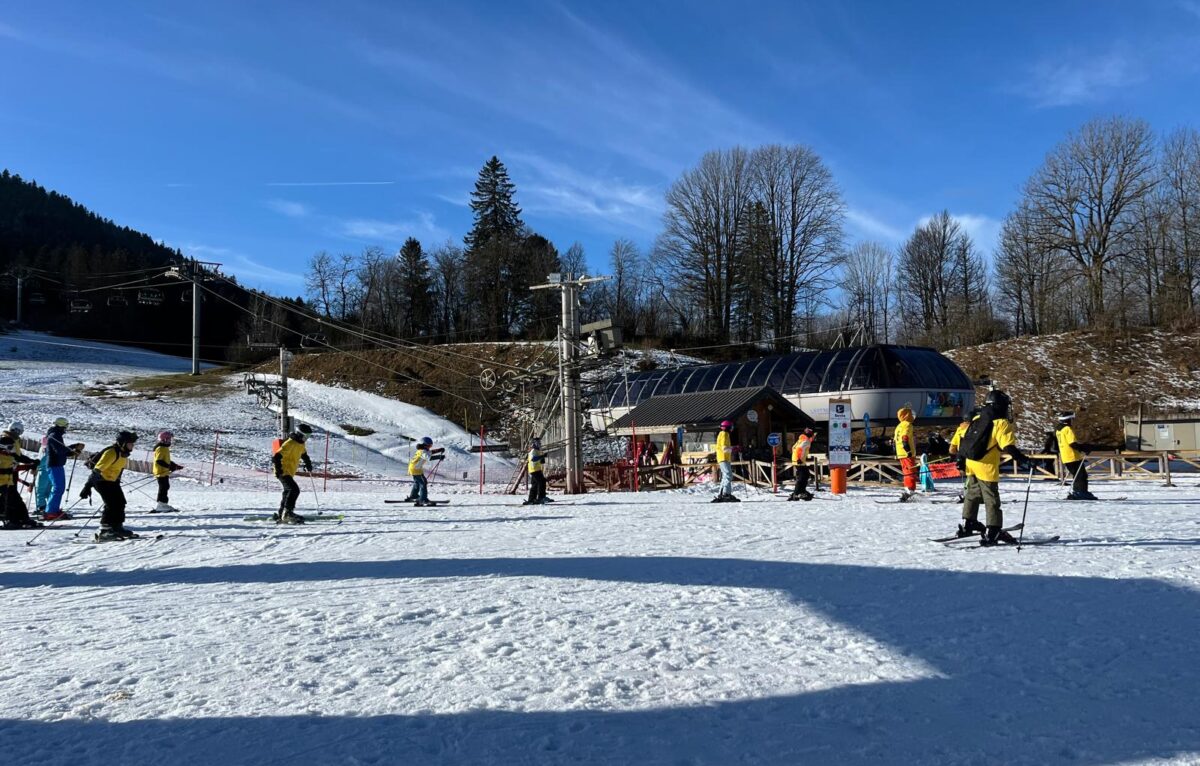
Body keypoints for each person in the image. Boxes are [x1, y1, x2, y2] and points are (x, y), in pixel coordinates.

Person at [956, 390, 1031, 546]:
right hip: (986, 467)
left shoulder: (977, 418)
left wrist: (960, 459)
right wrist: (1024, 460)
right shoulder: (1002, 423)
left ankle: (968, 524)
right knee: (991, 500)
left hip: (971, 464)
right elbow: (1008, 447)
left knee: (972, 494)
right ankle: (993, 530)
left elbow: (965, 441)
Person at [82, 430, 138, 540]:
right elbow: (97, 470)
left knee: (121, 502)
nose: (132, 446)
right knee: (111, 504)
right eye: (130, 443)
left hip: (112, 481)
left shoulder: (123, 454)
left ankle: (117, 527)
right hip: (101, 481)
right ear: (122, 443)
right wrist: (87, 486)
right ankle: (105, 530)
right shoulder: (111, 453)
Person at [1, 420, 42, 529]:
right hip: (3, 478)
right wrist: (31, 462)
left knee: (14, 499)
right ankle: (13, 520)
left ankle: (22, 519)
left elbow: (15, 457)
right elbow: (16, 457)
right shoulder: (7, 441)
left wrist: (31, 462)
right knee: (10, 500)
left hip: (8, 477)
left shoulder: (10, 441)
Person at [44, 416, 83, 521]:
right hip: (54, 464)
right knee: (58, 488)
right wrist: (74, 447)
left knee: (59, 488)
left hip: (57, 464)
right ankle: (51, 512)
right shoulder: (54, 435)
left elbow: (62, 451)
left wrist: (73, 451)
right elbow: (60, 450)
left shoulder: (55, 434)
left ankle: (53, 509)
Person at [271, 425, 313, 524]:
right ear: (299, 434)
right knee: (294, 490)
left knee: (287, 492)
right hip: (282, 471)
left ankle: (282, 513)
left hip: (289, 472)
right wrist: (278, 471)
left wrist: (308, 464)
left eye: (308, 436)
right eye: (305, 436)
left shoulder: (300, 444)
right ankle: (287, 513)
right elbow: (276, 456)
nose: (306, 439)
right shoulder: (290, 443)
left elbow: (304, 454)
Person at [1055, 411, 1098, 500]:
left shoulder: (1059, 430)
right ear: (1068, 420)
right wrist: (1083, 448)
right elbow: (1072, 443)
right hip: (1072, 456)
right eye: (1071, 419)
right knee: (1081, 475)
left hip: (1065, 456)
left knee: (1077, 474)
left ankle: (1078, 491)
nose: (1072, 421)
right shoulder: (1067, 429)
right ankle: (1081, 492)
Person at [151, 431, 184, 512]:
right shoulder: (161, 448)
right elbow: (159, 461)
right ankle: (162, 504)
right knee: (164, 487)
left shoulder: (164, 448)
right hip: (161, 472)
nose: (170, 441)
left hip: (163, 472)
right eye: (169, 440)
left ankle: (162, 504)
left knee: (165, 487)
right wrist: (170, 467)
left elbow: (166, 460)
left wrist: (174, 465)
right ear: (164, 439)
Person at [407, 437, 443, 507]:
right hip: (416, 469)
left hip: (414, 468)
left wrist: (439, 450)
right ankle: (423, 499)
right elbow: (429, 457)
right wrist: (439, 457)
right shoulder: (423, 451)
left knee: (417, 482)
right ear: (424, 445)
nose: (430, 447)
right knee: (423, 483)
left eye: (431, 446)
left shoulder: (421, 450)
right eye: (429, 445)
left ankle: (414, 496)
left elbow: (430, 453)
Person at [712, 420, 739, 503]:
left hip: (723, 458)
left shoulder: (721, 434)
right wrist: (734, 448)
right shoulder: (724, 434)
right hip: (723, 457)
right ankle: (726, 494)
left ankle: (722, 493)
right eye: (731, 427)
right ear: (728, 428)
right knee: (728, 475)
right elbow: (724, 448)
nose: (732, 429)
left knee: (725, 476)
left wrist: (733, 447)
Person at [895, 406, 917, 496]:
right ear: (907, 415)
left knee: (906, 471)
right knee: (911, 471)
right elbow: (905, 437)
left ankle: (907, 488)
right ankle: (910, 490)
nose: (913, 417)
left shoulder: (899, 426)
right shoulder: (907, 424)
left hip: (900, 452)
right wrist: (908, 449)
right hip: (907, 452)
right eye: (911, 414)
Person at [788, 427, 815, 501]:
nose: (813, 437)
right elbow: (798, 450)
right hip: (799, 461)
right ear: (810, 435)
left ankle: (801, 491)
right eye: (812, 435)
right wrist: (799, 459)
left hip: (798, 461)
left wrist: (804, 457)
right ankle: (796, 493)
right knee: (802, 477)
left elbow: (793, 448)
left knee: (805, 475)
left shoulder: (801, 439)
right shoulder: (806, 441)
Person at [523, 436, 547, 505]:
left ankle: (531, 499)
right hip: (534, 470)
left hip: (537, 469)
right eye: (538, 442)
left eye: (539, 442)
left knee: (535, 485)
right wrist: (542, 456)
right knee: (541, 482)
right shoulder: (533, 451)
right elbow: (534, 459)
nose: (539, 444)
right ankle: (540, 497)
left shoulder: (538, 451)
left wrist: (543, 457)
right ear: (534, 443)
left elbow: (542, 462)